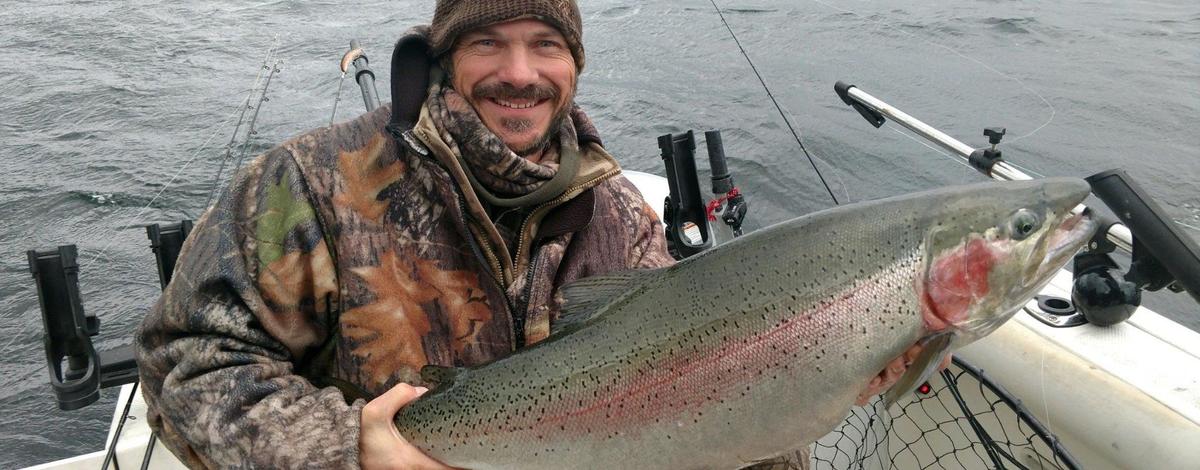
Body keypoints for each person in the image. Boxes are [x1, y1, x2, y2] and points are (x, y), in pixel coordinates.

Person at [136, 1, 934, 468]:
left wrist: (820, 385)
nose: (520, 71)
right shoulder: (309, 182)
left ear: (572, 66)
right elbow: (183, 367)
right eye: (489, 41)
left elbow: (694, 418)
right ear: (445, 60)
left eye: (545, 45)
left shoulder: (621, 217)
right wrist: (349, 450)